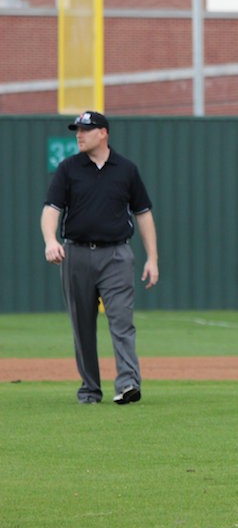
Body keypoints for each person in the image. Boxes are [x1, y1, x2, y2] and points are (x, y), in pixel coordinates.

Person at [40, 111, 159, 405]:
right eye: (77, 130)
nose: (78, 135)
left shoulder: (126, 169)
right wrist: (50, 240)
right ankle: (90, 389)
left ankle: (129, 383)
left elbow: (143, 213)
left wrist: (152, 258)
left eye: (85, 130)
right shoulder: (68, 168)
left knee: (121, 321)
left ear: (103, 133)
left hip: (117, 255)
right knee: (83, 326)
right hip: (76, 254)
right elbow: (51, 209)